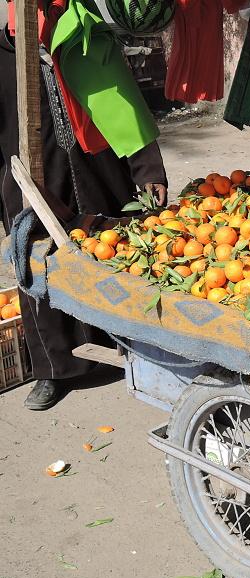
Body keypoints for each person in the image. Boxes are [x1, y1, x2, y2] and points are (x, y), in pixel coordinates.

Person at [0, 7, 168, 411]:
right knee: (39, 264)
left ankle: (130, 349)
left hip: (100, 170)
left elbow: (124, 102)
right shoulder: (2, 54)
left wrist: (149, 170)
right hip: (29, 177)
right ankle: (53, 370)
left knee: (114, 254)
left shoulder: (85, 36)